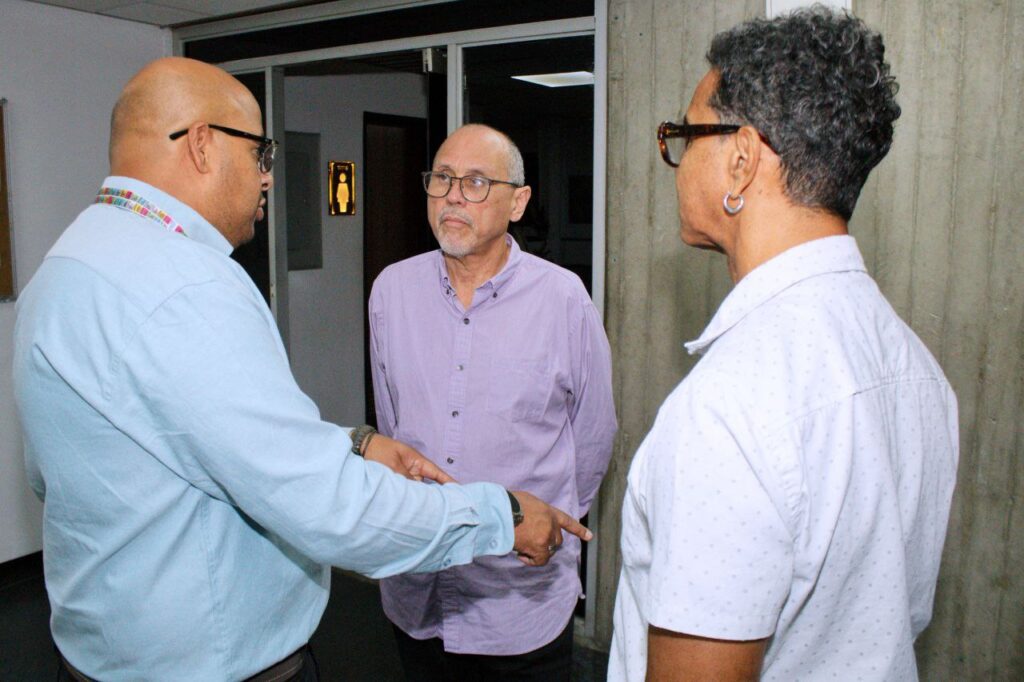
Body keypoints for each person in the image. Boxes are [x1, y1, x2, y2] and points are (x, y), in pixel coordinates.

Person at [12, 57, 591, 682]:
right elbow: (323, 505)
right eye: (260, 153)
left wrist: (354, 443)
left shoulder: (65, 266)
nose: (268, 176)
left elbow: (67, 472)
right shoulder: (189, 288)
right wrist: (501, 517)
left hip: (101, 654)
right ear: (203, 145)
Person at [609, 8, 958, 681]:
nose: (675, 162)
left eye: (685, 135)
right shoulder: (916, 366)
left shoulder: (728, 409)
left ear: (741, 159)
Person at [368, 124, 617, 680]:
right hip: (418, 587)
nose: (453, 196)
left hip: (518, 600)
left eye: (477, 182)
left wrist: (545, 523)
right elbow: (392, 429)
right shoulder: (391, 291)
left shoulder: (562, 299)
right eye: (442, 178)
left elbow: (594, 436)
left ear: (518, 202)